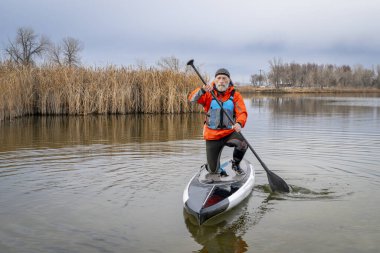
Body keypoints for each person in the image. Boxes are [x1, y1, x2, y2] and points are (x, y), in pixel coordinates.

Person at [188, 68, 248, 176]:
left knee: (242, 144)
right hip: (212, 136)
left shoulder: (235, 95)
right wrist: (202, 90)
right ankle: (211, 166)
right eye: (219, 78)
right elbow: (191, 99)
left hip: (229, 134)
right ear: (215, 80)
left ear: (229, 80)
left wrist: (239, 123)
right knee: (213, 171)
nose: (221, 81)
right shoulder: (208, 93)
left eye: (224, 78)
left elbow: (242, 112)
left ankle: (235, 164)